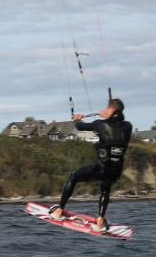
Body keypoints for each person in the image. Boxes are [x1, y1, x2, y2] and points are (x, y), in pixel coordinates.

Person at [49, 98, 132, 231]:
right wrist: (108, 115)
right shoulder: (128, 126)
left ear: (111, 109)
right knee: (105, 188)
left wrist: (77, 119)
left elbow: (80, 126)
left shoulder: (100, 124)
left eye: (107, 108)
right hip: (116, 171)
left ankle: (58, 211)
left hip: (101, 168)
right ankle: (100, 220)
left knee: (73, 177)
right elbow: (118, 122)